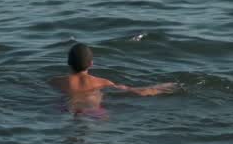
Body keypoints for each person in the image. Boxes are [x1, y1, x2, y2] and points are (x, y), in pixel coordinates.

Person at [49, 42, 177, 106]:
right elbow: (135, 91)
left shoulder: (55, 82)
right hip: (94, 114)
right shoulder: (103, 83)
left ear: (68, 62)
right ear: (91, 63)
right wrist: (163, 87)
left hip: (66, 110)